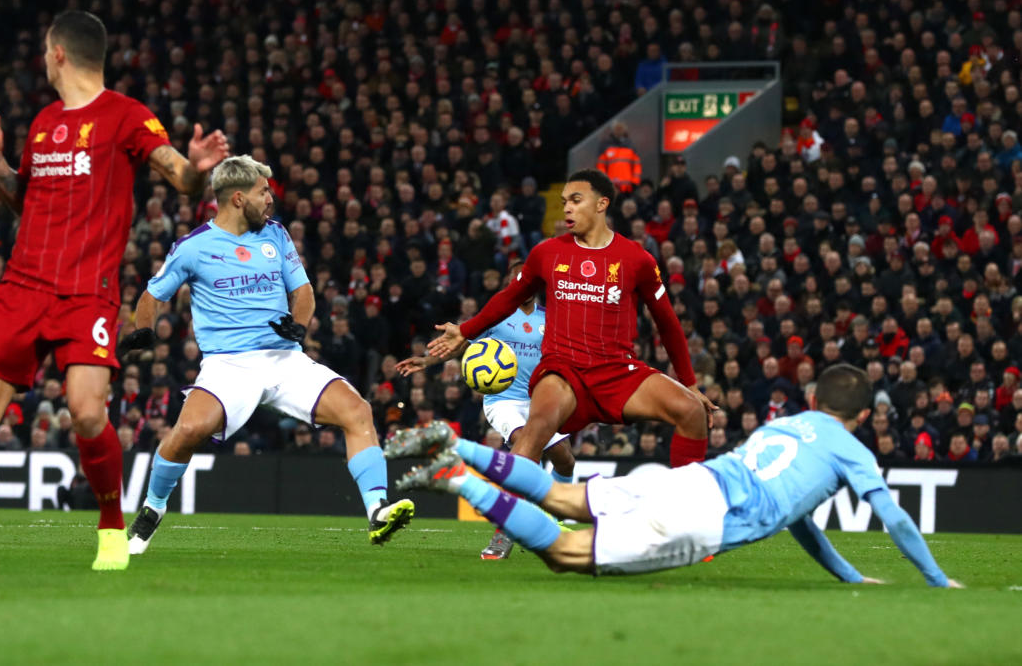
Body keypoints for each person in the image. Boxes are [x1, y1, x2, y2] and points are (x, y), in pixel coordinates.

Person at [0, 10, 230, 571]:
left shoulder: (125, 116)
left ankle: (112, 530)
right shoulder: (42, 124)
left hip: (87, 291)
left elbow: (179, 176)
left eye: (44, 50)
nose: (42, 59)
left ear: (59, 52)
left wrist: (200, 169)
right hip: (22, 287)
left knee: (87, 412)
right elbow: (24, 199)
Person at [388, 365, 962, 587]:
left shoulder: (787, 424)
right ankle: (457, 475)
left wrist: (851, 578)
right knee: (565, 553)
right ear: (862, 416)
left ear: (814, 398)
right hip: (700, 518)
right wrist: (939, 582)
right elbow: (892, 516)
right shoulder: (850, 449)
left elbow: (799, 520)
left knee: (563, 497)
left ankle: (456, 442)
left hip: (685, 480)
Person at [119, 155, 414, 554]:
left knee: (357, 410)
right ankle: (152, 509)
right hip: (228, 365)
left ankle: (378, 510)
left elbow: (303, 292)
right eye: (264, 192)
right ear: (238, 198)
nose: (271, 199)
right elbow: (153, 295)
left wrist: (300, 325)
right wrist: (144, 330)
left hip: (284, 359)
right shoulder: (194, 247)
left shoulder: (276, 235)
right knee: (188, 431)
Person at [426, 169, 713, 472]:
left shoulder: (636, 259)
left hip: (617, 372)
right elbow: (509, 298)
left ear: (602, 204)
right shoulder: (546, 253)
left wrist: (690, 383)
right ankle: (506, 517)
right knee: (535, 430)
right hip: (562, 371)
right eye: (564, 201)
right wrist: (466, 330)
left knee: (691, 411)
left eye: (576, 200)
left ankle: (686, 506)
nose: (567, 208)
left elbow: (667, 322)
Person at [397, 259, 575, 559]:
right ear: (510, 284)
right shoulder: (497, 316)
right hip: (504, 400)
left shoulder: (552, 318)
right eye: (516, 279)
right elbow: (458, 343)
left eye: (527, 279)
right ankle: (505, 530)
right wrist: (427, 361)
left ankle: (553, 518)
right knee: (524, 444)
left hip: (541, 401)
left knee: (565, 460)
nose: (522, 284)